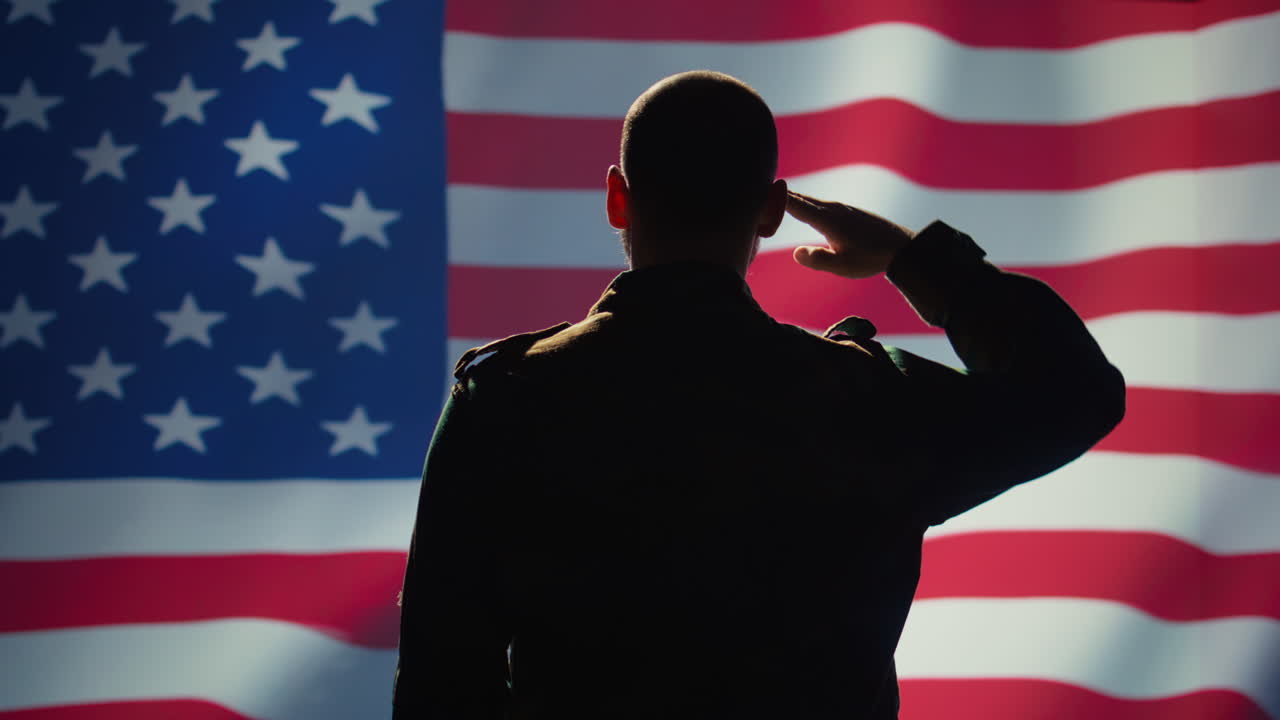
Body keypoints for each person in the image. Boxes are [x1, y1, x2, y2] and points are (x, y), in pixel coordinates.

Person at [393, 71, 1125, 719]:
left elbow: (441, 686)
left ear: (618, 198)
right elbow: (1073, 395)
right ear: (772, 211)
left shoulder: (508, 399)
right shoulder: (862, 398)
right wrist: (915, 259)